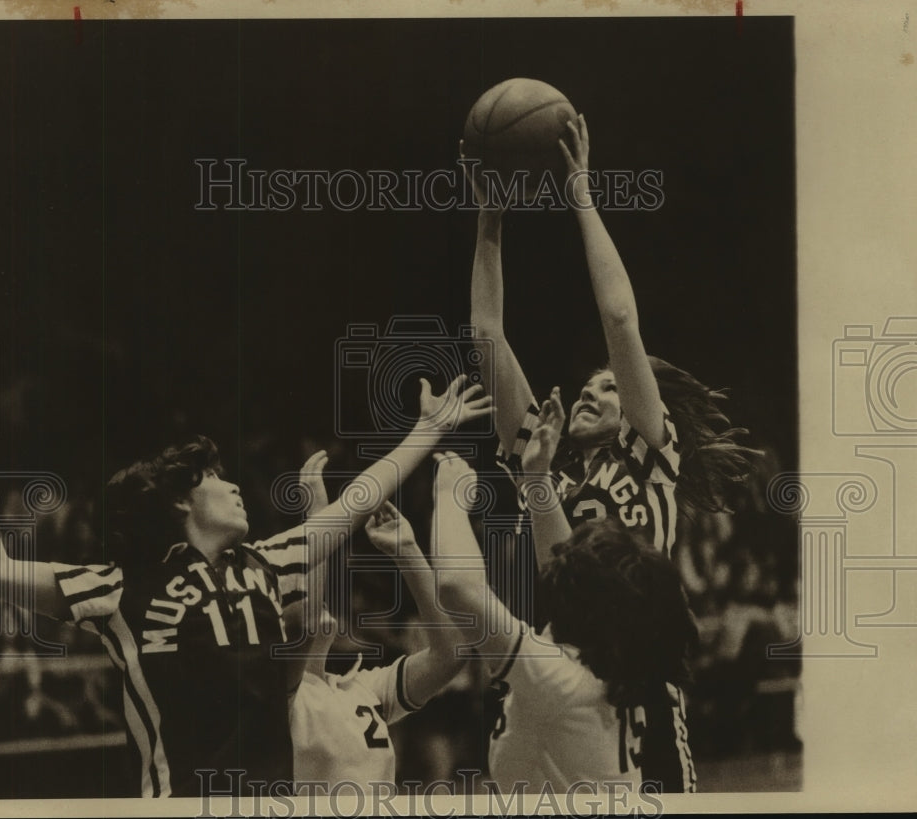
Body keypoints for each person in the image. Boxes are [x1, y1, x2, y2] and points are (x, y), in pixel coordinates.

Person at [0, 372, 491, 797]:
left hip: (270, 796)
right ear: (180, 500)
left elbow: (359, 501)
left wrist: (427, 430)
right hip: (182, 798)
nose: (234, 487)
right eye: (214, 477)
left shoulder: (267, 561)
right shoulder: (118, 586)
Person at [462, 115, 759, 792]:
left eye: (610, 385)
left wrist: (580, 192)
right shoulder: (547, 455)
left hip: (636, 678)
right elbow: (484, 334)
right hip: (558, 671)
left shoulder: (648, 456)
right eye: (589, 383)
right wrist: (488, 219)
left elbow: (620, 319)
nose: (596, 391)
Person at [430, 451, 699, 794]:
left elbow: (457, 586)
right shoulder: (605, 665)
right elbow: (557, 555)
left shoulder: (560, 680)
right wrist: (538, 480)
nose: (562, 559)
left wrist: (448, 495)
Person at [286, 485, 466, 792]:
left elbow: (449, 655)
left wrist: (407, 550)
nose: (317, 596)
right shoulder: (279, 695)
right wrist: (319, 520)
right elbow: (307, 622)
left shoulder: (362, 687)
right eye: (293, 590)